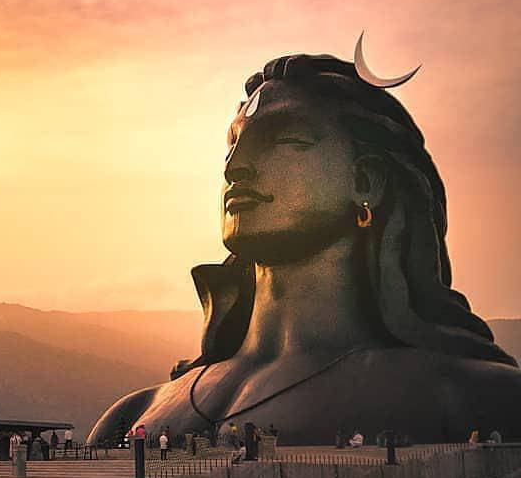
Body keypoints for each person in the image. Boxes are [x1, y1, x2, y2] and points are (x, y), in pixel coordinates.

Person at [88, 49, 521, 447]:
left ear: (365, 181)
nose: (235, 167)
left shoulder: (475, 398)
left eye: (286, 141)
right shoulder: (132, 414)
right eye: (232, 143)